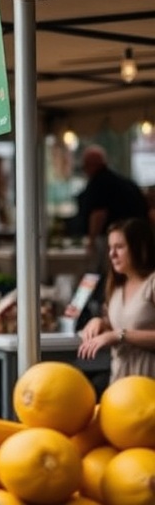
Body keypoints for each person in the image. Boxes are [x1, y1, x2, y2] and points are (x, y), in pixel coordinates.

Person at [78, 218, 155, 380]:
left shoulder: (152, 283)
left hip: (148, 381)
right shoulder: (116, 286)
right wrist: (100, 322)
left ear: (140, 248)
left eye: (119, 247)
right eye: (110, 248)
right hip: (119, 382)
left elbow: (120, 331)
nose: (112, 254)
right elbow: (119, 322)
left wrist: (119, 335)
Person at [76, 145, 149, 264]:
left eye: (85, 165)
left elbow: (98, 214)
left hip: (115, 237)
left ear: (91, 164)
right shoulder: (121, 181)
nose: (84, 169)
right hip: (136, 236)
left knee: (110, 270)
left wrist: (92, 240)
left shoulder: (99, 182)